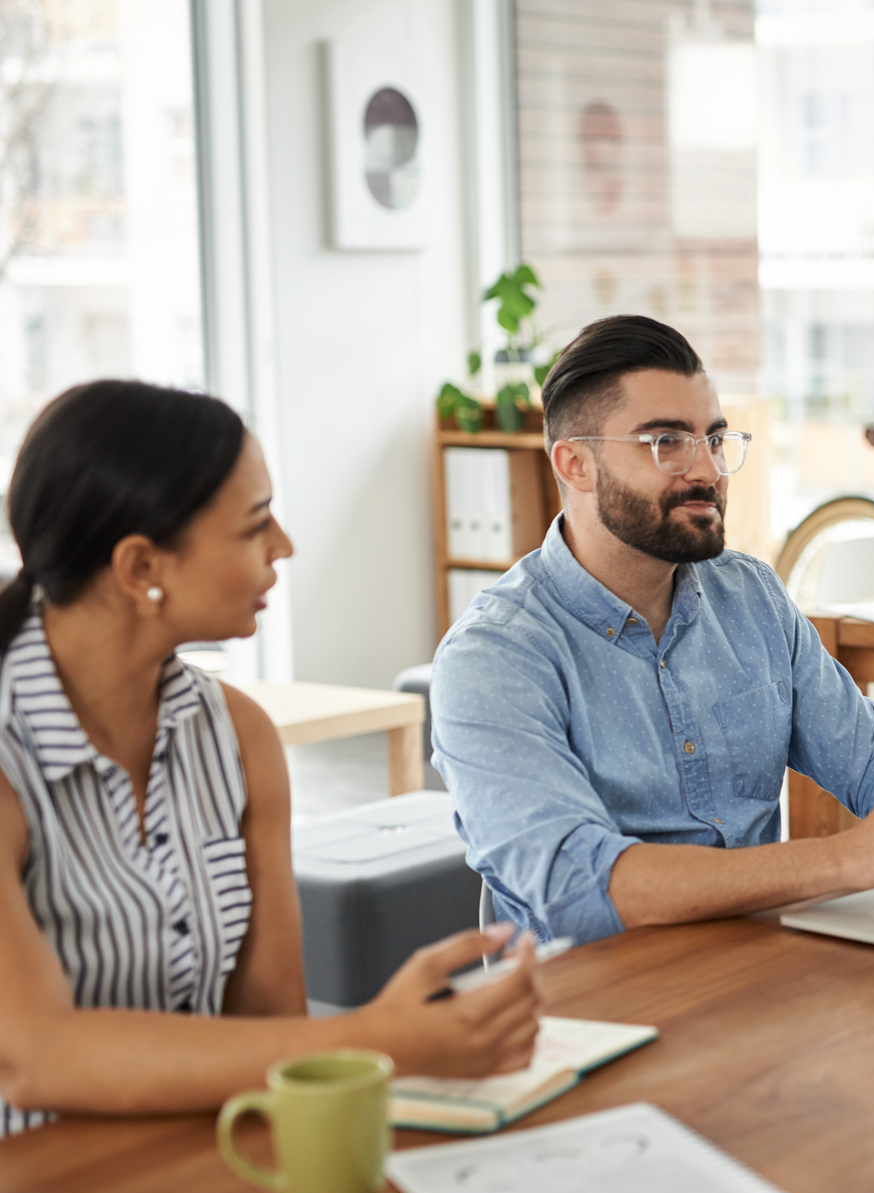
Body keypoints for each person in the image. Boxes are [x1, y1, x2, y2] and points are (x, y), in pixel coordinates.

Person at [0, 382, 540, 1136]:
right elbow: (35, 1058)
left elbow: (270, 1024)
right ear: (140, 567)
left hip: (206, 1151)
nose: (283, 546)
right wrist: (382, 1036)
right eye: (255, 525)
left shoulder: (238, 736)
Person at [431, 315, 874, 946]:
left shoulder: (751, 597)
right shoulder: (492, 658)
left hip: (759, 968)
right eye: (666, 443)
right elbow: (578, 889)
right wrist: (848, 859)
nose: (707, 471)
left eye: (713, 440)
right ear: (575, 464)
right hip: (592, 1006)